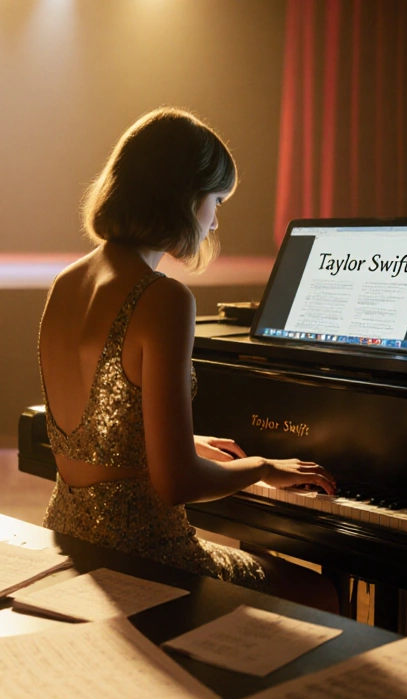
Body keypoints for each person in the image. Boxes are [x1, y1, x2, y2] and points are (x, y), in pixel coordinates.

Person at [37, 107, 340, 611]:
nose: (215, 217)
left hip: (70, 537)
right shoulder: (163, 299)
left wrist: (185, 440)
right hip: (145, 557)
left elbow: (96, 426)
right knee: (322, 593)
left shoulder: (66, 283)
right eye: (215, 199)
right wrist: (264, 465)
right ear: (183, 198)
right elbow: (177, 482)